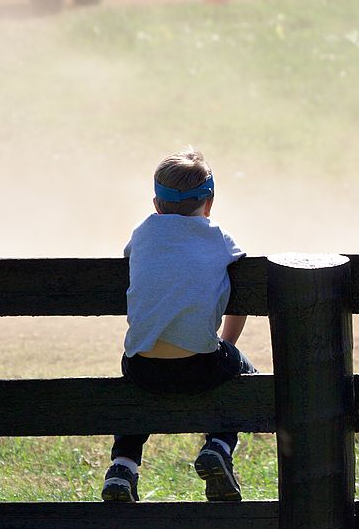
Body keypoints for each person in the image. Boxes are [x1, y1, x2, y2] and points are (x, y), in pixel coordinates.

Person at [101, 146, 256, 503]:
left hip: (141, 366)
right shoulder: (217, 236)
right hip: (199, 365)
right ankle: (218, 446)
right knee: (243, 373)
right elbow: (242, 291)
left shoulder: (143, 233)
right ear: (210, 202)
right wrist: (226, 345)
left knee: (137, 391)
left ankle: (123, 466)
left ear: (156, 203)